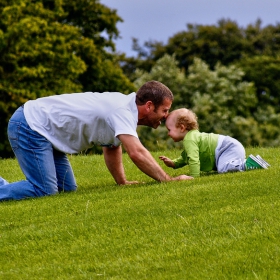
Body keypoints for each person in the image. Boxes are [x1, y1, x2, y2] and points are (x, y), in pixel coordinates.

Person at [0, 81, 193, 201]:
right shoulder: (122, 111)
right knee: (44, 190)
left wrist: (122, 182)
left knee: (67, 189)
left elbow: (111, 147)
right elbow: (136, 152)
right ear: (149, 106)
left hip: (49, 134)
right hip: (30, 125)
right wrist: (168, 180)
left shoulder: (124, 110)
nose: (166, 116)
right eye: (165, 110)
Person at [159, 108, 270, 178]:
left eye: (169, 130)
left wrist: (194, 177)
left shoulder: (190, 139)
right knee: (224, 167)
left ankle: (249, 164)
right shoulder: (192, 136)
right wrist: (173, 163)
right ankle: (253, 162)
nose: (168, 134)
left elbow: (193, 159)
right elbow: (186, 157)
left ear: (182, 128)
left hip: (226, 148)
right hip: (230, 146)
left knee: (223, 169)